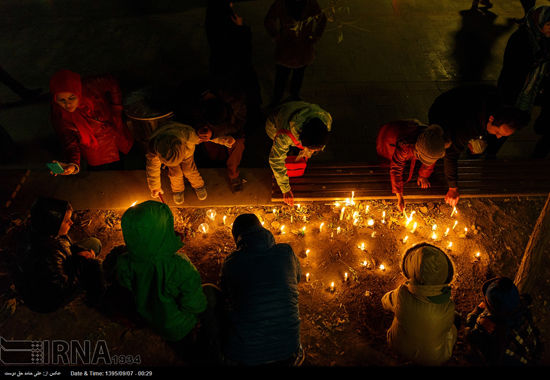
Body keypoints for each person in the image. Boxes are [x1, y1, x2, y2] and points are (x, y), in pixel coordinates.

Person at [104, 201, 220, 361]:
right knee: (209, 295)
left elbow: (128, 288)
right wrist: (197, 317)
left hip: (149, 318)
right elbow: (194, 304)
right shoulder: (179, 265)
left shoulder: (124, 262)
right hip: (179, 327)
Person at [220, 213, 304, 366]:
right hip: (288, 351)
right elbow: (297, 278)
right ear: (261, 228)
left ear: (237, 238)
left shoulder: (231, 263)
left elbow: (226, 295)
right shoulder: (286, 252)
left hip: (244, 355)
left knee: (211, 294)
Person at [428, 84, 530, 207]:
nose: (498, 137)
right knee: (439, 145)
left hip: (466, 109)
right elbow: (451, 154)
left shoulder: (498, 107)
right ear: (491, 119)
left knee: (478, 148)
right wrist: (453, 188)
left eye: (503, 135)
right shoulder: (467, 126)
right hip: (443, 109)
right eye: (498, 132)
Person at [16, 197, 105, 313]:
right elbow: (61, 289)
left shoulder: (46, 230)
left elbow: (68, 246)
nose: (71, 222)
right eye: (66, 220)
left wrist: (82, 251)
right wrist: (82, 261)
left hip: (63, 265)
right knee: (96, 266)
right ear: (53, 223)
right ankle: (96, 301)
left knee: (94, 243)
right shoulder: (43, 256)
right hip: (48, 300)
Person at [381, 243, 457, 366]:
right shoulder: (448, 306)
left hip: (399, 345)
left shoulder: (402, 294)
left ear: (411, 270)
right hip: (435, 358)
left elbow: (385, 301)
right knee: (451, 328)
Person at [49, 69, 134, 175]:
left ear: (78, 92)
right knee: (101, 178)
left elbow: (112, 82)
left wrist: (116, 107)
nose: (68, 104)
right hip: (97, 152)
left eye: (72, 98)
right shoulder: (61, 116)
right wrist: (73, 164)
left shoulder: (90, 86)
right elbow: (70, 142)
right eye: (62, 100)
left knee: (121, 171)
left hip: (116, 136)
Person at [498, 5, 550, 158]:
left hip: (533, 89)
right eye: (548, 24)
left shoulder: (545, 41)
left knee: (514, 122)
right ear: (538, 22)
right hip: (514, 89)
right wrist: (536, 61)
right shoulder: (521, 38)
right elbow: (512, 67)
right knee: (505, 122)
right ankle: (487, 151)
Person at [205, 0, 262, 130]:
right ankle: (248, 125)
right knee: (245, 102)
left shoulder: (212, 23)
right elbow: (245, 50)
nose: (232, 5)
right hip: (238, 72)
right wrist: (241, 28)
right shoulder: (230, 31)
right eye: (230, 5)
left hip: (220, 69)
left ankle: (233, 123)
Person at [146, 121, 234, 205]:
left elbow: (207, 137)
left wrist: (224, 140)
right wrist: (155, 187)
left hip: (187, 154)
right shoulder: (154, 149)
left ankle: (198, 185)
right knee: (175, 174)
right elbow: (152, 169)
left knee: (189, 170)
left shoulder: (188, 134)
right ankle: (177, 190)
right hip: (170, 161)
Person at [265, 101, 332, 206]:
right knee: (278, 147)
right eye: (311, 149)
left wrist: (309, 150)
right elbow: (276, 159)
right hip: (276, 120)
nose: (313, 152)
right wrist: (285, 189)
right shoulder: (284, 134)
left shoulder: (325, 120)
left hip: (300, 110)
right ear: (301, 137)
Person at [465, 277, 542, 366]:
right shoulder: (523, 310)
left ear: (491, 308)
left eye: (487, 301)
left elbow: (470, 321)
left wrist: (477, 310)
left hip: (504, 358)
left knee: (469, 334)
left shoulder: (487, 325)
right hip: (529, 353)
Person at [376, 120, 450, 212]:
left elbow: (431, 160)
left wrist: (423, 176)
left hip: (411, 137)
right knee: (388, 161)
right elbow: (396, 168)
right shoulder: (405, 147)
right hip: (389, 138)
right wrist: (399, 196)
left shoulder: (433, 140)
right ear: (417, 151)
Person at [264, 0, 327, 106]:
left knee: (297, 74)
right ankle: (278, 97)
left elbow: (322, 19)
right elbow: (269, 20)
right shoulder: (281, 4)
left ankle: (293, 94)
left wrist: (315, 36)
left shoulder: (310, 4)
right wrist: (276, 35)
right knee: (282, 75)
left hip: (302, 49)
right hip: (287, 48)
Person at [193, 85, 247, 193]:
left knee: (238, 144)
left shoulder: (236, 103)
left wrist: (215, 132)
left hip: (231, 132)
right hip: (212, 134)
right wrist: (201, 130)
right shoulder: (198, 103)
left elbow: (238, 125)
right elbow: (194, 120)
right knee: (209, 149)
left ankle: (233, 174)